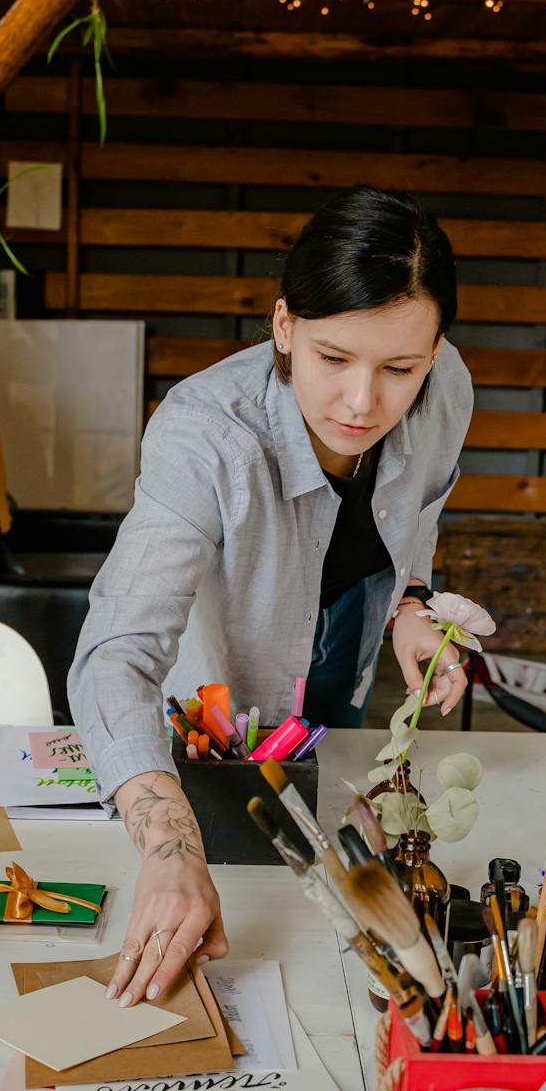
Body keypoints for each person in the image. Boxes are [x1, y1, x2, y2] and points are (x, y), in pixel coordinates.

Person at [69, 187, 474, 1008]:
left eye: (399, 369)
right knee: (249, 867)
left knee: (330, 905)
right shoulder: (205, 433)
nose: (362, 402)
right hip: (225, 697)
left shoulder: (448, 386)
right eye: (334, 358)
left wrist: (411, 607)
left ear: (434, 351)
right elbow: (116, 653)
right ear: (284, 325)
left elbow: (418, 515)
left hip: (349, 640)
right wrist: (171, 850)